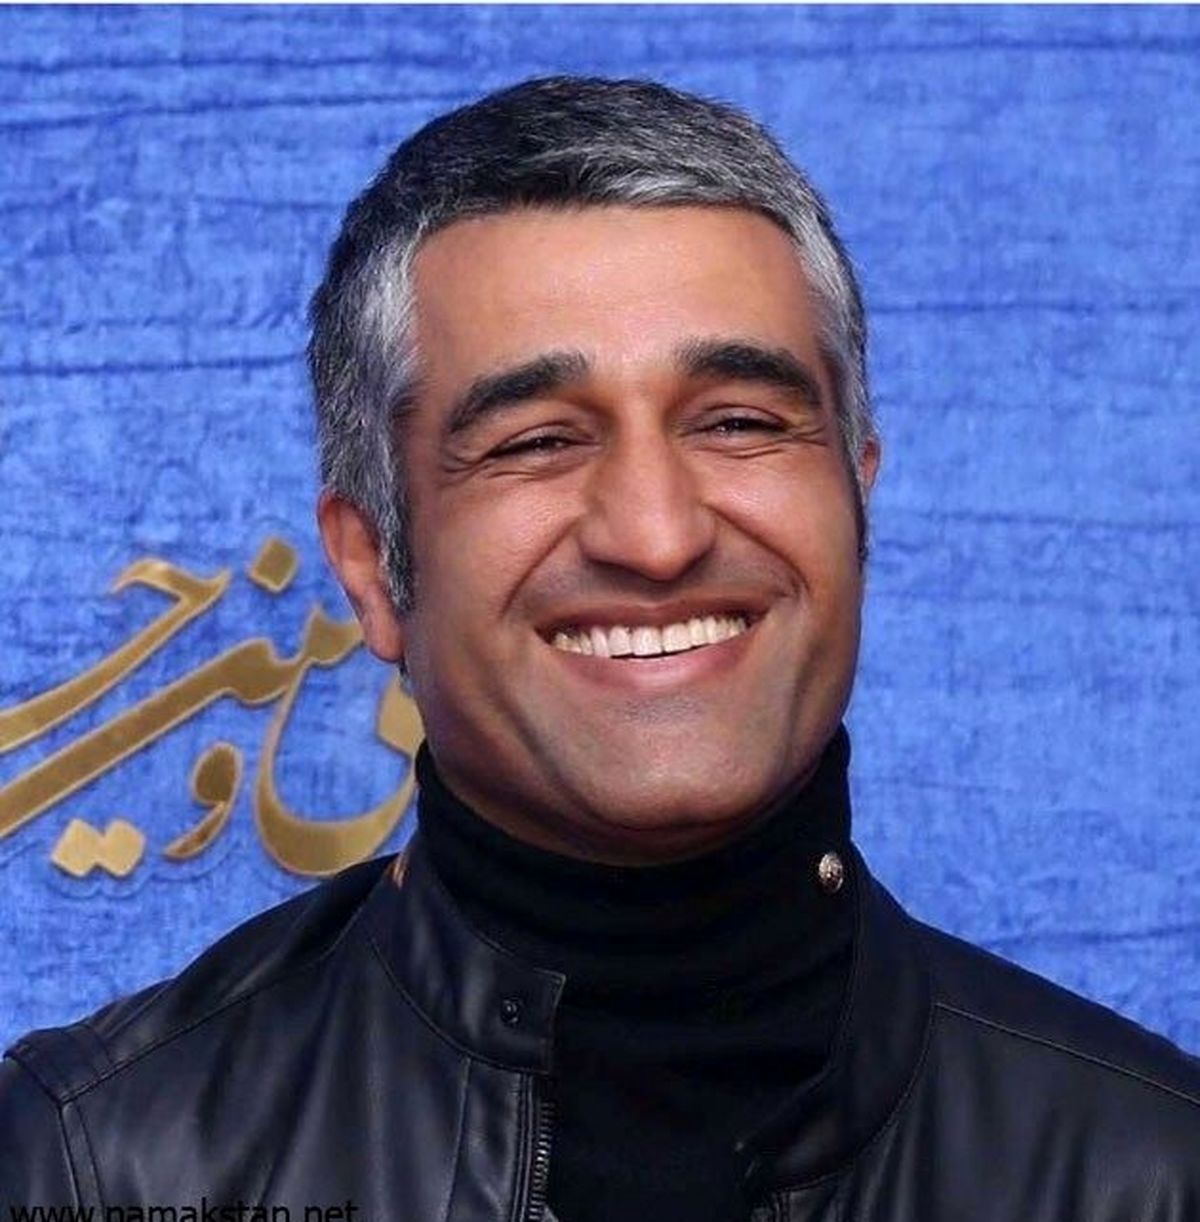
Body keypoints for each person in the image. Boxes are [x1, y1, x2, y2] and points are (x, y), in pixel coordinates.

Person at [2, 75, 1197, 1222]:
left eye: (738, 421)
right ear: (373, 567)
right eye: (537, 441)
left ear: (857, 498)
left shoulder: (1145, 1172)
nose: (658, 535)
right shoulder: (100, 1168)